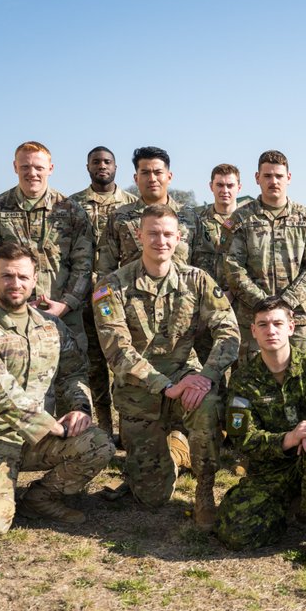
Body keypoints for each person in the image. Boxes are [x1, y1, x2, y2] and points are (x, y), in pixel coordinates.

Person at [0, 243, 114, 543]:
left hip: (37, 441)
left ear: (35, 278)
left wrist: (80, 408)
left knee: (99, 445)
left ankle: (40, 498)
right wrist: (46, 424)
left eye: (23, 277)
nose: (15, 284)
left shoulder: (51, 326)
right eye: (8, 276)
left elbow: (73, 373)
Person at [92, 204, 240, 528]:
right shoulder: (110, 287)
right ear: (139, 235)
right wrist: (164, 385)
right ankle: (175, 450)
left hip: (185, 376)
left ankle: (204, 492)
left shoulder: (197, 280)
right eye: (154, 233)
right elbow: (117, 350)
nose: (161, 240)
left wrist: (206, 376)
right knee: (151, 498)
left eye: (168, 234)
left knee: (209, 403)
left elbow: (229, 331)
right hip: (138, 390)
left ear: (178, 238)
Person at [215, 297, 306, 568]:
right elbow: (242, 439)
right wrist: (288, 439)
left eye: (278, 323)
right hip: (272, 469)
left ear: (291, 328)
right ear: (254, 331)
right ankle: (293, 504)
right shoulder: (243, 380)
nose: (271, 330)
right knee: (234, 532)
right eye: (263, 324)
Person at [0, 141, 95, 352]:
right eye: (25, 167)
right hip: (11, 314)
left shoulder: (72, 210)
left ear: (50, 168)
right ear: (15, 167)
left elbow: (84, 263)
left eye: (39, 167)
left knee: (71, 377)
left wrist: (66, 304)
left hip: (65, 315)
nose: (32, 173)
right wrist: (17, 304)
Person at [225, 150, 306, 357]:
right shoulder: (241, 220)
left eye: (279, 176)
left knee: (303, 380)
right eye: (267, 176)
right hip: (254, 320)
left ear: (288, 178)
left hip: (297, 319)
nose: (274, 181)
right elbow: (232, 266)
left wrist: (286, 302)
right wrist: (263, 304)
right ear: (257, 178)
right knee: (253, 383)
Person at [69, 146, 138, 437]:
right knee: (93, 365)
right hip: (82, 296)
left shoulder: (132, 205)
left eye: (107, 161)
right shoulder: (71, 205)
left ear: (116, 167)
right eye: (96, 162)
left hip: (121, 297)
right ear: (87, 167)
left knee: (125, 361)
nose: (102, 166)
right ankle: (104, 426)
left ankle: (128, 427)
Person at [96, 146, 192, 279]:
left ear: (169, 177)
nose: (152, 179)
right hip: (131, 296)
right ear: (136, 178)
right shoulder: (120, 218)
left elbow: (204, 265)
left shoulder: (190, 217)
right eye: (145, 173)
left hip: (182, 296)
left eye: (158, 172)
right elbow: (105, 269)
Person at [190, 163, 245, 289]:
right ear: (211, 186)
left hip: (241, 298)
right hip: (204, 295)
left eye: (230, 185)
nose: (225, 190)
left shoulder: (249, 221)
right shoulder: (196, 220)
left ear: (239, 187)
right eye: (220, 185)